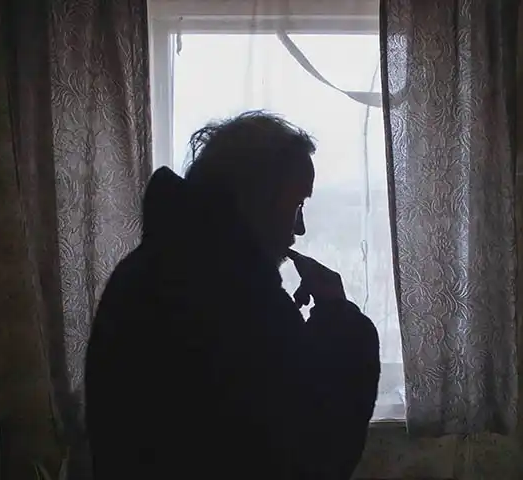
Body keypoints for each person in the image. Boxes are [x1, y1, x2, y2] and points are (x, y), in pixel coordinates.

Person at [84, 111, 380, 480]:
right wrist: (338, 318)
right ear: (257, 198)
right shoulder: (239, 298)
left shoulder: (144, 271)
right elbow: (313, 452)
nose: (300, 229)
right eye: (297, 205)